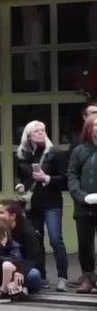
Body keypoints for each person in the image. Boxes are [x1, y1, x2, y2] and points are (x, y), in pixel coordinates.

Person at [15, 121, 69, 292]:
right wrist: (20, 185)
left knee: (56, 239)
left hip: (52, 202)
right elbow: (19, 176)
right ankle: (41, 276)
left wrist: (46, 178)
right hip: (33, 204)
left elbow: (65, 179)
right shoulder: (22, 155)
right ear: (28, 135)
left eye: (43, 130)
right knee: (35, 241)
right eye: (36, 131)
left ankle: (62, 277)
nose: (41, 133)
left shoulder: (55, 154)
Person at [67, 113, 97, 293]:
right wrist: (81, 195)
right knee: (85, 243)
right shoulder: (80, 151)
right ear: (89, 129)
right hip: (84, 206)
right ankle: (88, 277)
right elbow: (72, 175)